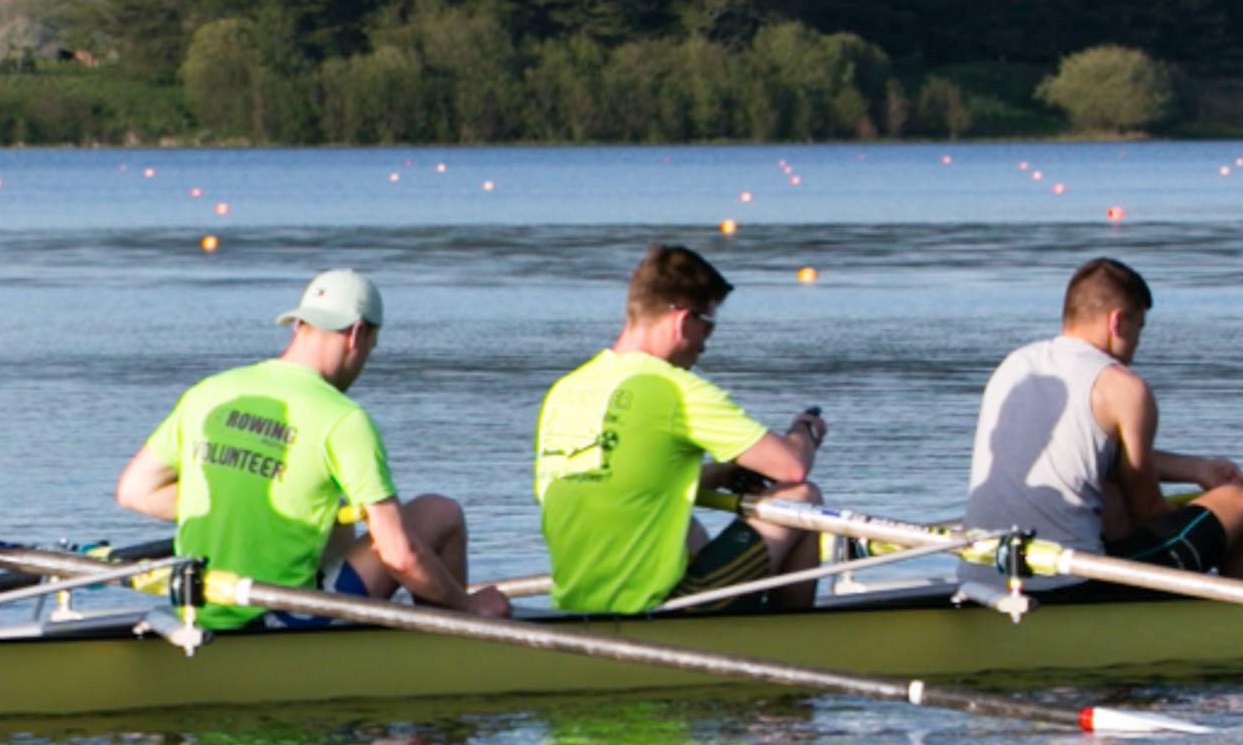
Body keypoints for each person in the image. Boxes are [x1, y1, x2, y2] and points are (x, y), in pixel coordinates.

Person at [119, 266, 501, 622]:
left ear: (298, 324)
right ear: (357, 334)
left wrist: (249, 508)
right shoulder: (343, 419)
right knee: (439, 513)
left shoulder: (210, 392)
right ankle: (457, 635)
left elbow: (134, 492)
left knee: (335, 523)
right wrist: (467, 603)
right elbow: (399, 556)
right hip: (282, 618)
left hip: (194, 612)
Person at [534, 242, 826, 618]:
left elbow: (619, 483)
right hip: (655, 608)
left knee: (687, 527)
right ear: (683, 321)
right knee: (800, 497)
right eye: (709, 325)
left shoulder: (568, 389)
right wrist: (804, 430)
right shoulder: (674, 389)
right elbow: (791, 466)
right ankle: (792, 636)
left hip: (576, 601)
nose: (706, 343)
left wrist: (718, 474)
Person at [965, 255, 1243, 574]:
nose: (1136, 343)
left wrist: (1199, 470)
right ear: (1117, 321)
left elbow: (1094, 457)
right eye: (1139, 329)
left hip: (984, 572)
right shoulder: (1123, 386)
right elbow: (1147, 512)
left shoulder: (1015, 364)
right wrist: (1214, 514)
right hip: (1070, 579)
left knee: (1110, 487)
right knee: (1241, 504)